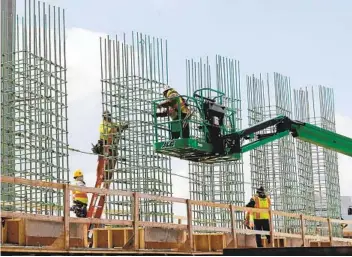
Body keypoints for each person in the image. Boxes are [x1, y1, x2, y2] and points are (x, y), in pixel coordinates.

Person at [92, 111, 128, 182]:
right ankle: (102, 176)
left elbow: (117, 127)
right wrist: (117, 128)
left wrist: (122, 125)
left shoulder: (112, 124)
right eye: (106, 116)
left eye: (109, 116)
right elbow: (108, 131)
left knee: (113, 159)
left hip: (112, 146)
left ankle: (107, 177)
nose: (108, 118)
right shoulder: (103, 124)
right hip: (105, 145)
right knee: (104, 162)